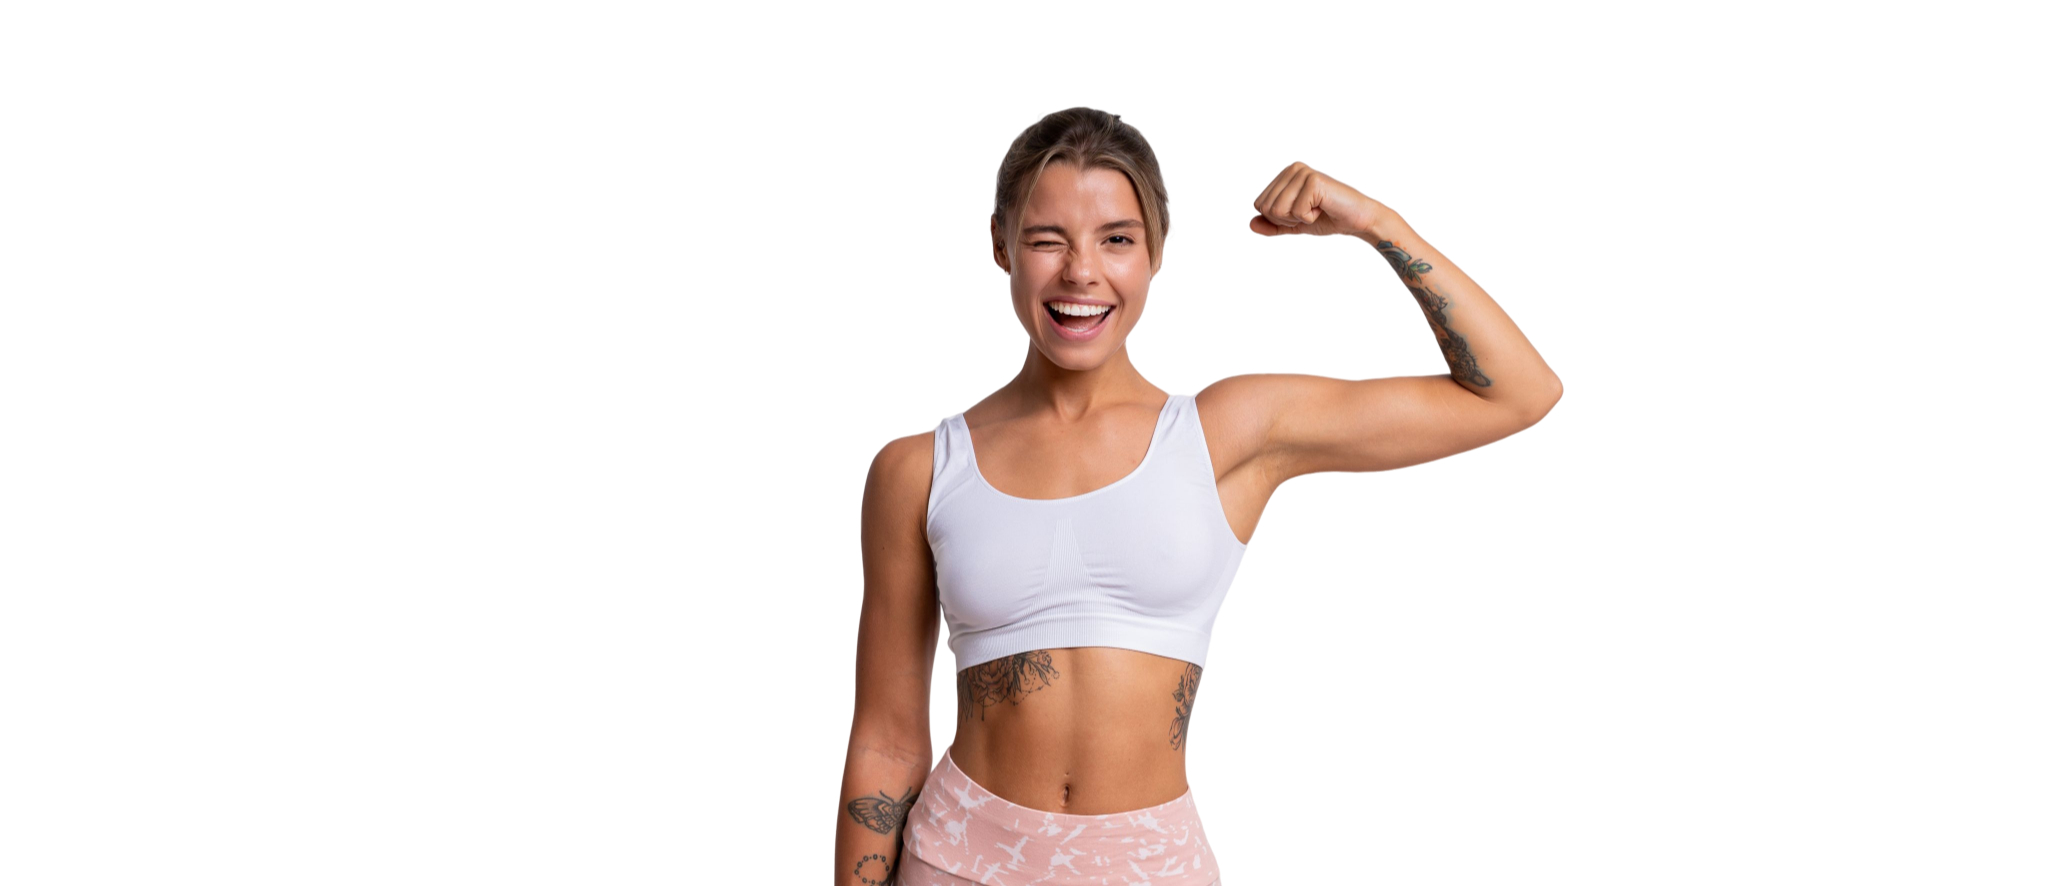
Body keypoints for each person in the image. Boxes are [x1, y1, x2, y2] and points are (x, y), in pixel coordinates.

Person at [834, 107, 1562, 886]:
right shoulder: (920, 470)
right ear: (1001, 244)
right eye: (1048, 240)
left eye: (1117, 239)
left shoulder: (1227, 435)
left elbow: (1517, 393)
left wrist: (1375, 223)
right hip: (957, 859)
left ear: (1155, 252)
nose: (1082, 271)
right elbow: (885, 740)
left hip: (1153, 866)